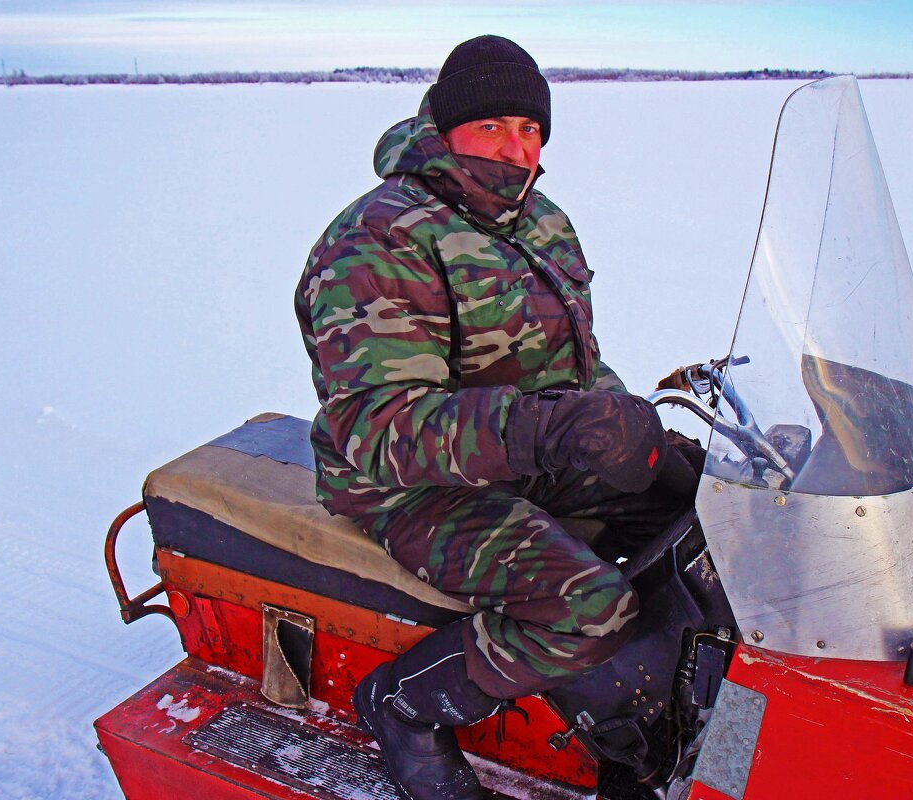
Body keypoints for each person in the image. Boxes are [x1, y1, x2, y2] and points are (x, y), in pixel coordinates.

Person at [295, 35, 696, 800]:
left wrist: (623, 427)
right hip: (407, 488)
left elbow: (576, 367)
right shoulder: (378, 239)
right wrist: (554, 430)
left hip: (526, 456)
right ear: (445, 129)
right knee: (587, 607)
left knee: (703, 512)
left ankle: (645, 704)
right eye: (492, 127)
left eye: (530, 128)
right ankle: (404, 708)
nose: (517, 150)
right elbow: (381, 428)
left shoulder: (540, 221)